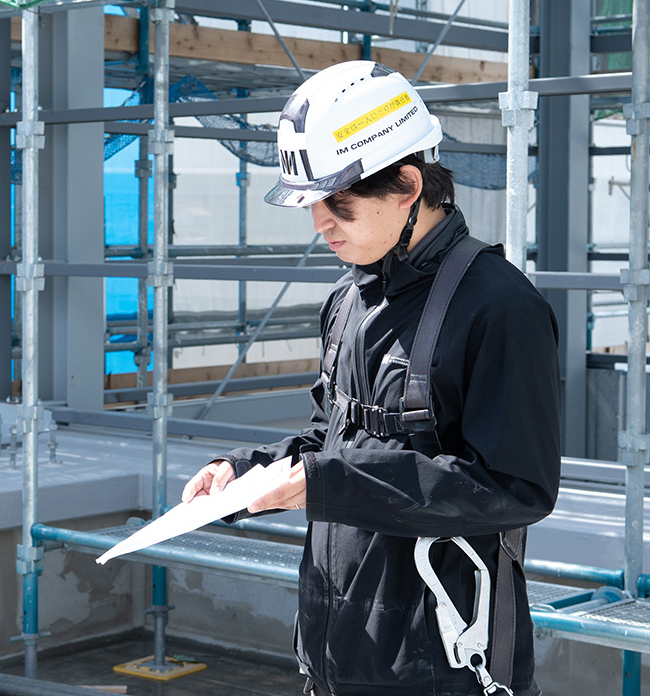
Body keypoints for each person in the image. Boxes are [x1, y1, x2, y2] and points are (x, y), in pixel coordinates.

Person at [181, 61, 561, 696]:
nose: (320, 224)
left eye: (339, 204)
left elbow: (516, 487)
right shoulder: (350, 300)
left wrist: (328, 482)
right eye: (313, 204)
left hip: (443, 668)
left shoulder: (500, 307)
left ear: (408, 185)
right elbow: (330, 439)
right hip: (335, 655)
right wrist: (246, 472)